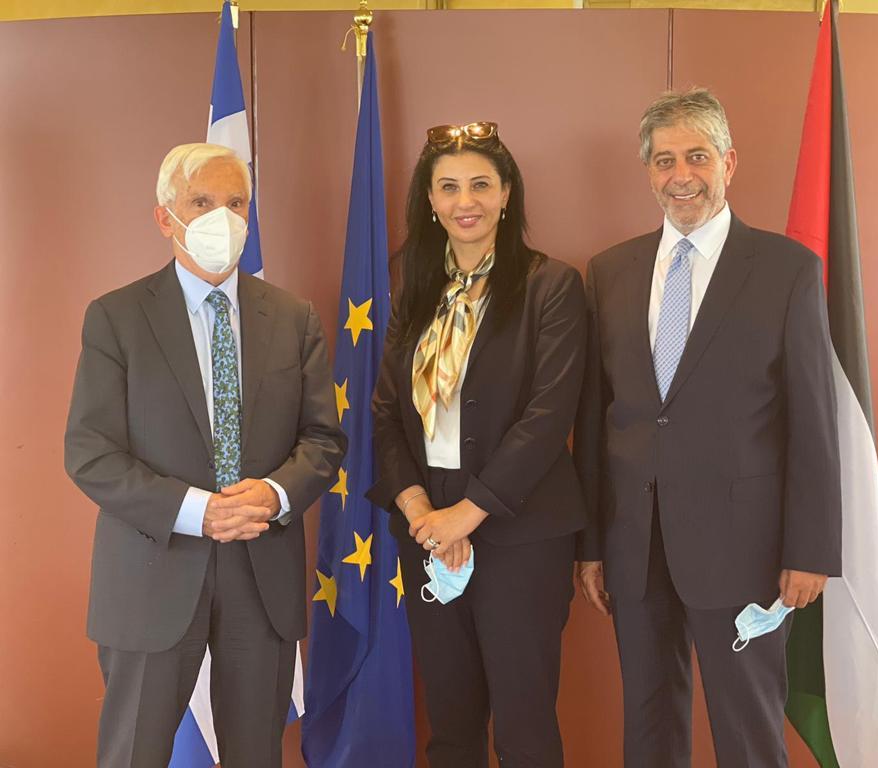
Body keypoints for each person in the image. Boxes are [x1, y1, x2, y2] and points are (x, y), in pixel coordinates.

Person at [574, 88, 842, 767]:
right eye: (664, 160)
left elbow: (813, 420)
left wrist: (811, 549)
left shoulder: (787, 270)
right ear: (648, 171)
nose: (681, 175)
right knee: (649, 726)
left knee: (748, 731)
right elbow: (597, 418)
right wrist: (592, 544)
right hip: (636, 546)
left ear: (729, 162)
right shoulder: (610, 272)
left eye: (697, 156)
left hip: (745, 549)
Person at [64, 143, 345, 768]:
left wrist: (273, 494)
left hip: (262, 573)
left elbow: (324, 440)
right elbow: (90, 452)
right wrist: (199, 510)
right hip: (151, 572)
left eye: (236, 203)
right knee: (133, 755)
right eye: (201, 202)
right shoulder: (116, 317)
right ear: (165, 218)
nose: (223, 217)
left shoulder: (293, 318)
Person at [367, 122, 587, 768]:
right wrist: (423, 515)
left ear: (507, 193)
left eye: (481, 185)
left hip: (521, 534)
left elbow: (547, 418)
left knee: (523, 728)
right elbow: (386, 416)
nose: (466, 201)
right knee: (452, 725)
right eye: (449, 187)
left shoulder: (552, 286)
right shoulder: (414, 289)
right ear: (430, 200)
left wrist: (467, 513)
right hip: (428, 531)